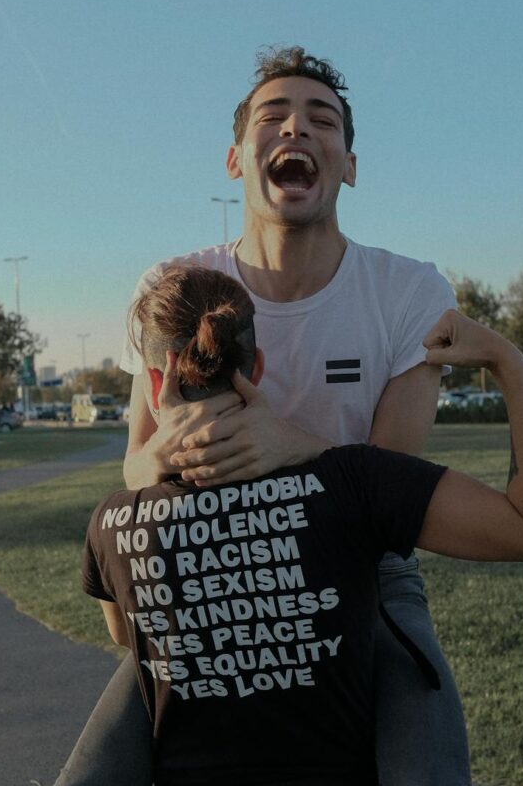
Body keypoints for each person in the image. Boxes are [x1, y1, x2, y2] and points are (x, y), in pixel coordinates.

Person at [57, 46, 474, 785]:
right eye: (273, 117)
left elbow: (393, 487)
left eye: (322, 120)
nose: (296, 130)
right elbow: (136, 462)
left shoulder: (410, 290)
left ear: (348, 163)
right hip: (212, 567)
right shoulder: (175, 285)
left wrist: (287, 445)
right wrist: (168, 462)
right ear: (234, 159)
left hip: (364, 574)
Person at [82, 265, 523, 786]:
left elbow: (127, 634)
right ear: (256, 368)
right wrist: (509, 363)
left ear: (156, 383)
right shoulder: (353, 485)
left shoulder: (113, 524)